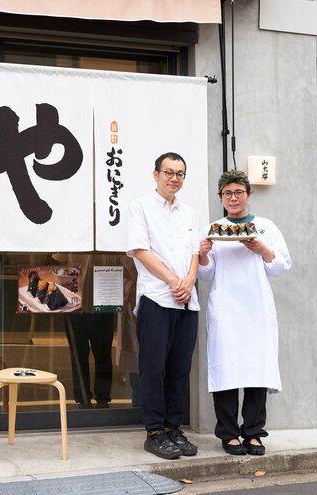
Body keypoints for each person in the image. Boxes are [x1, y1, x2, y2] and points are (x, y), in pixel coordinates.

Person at [198, 170, 292, 456]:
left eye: (239, 192)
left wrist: (261, 248)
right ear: (221, 198)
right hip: (226, 309)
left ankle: (253, 433)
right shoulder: (214, 228)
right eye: (228, 193)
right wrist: (203, 253)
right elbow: (207, 273)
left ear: (248, 195)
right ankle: (228, 434)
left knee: (256, 371)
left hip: (256, 308)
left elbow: (281, 265)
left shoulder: (265, 227)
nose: (234, 198)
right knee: (226, 371)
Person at [126, 152, 199, 460]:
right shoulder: (140, 207)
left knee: (180, 369)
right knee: (153, 367)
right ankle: (154, 431)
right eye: (168, 172)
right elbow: (140, 251)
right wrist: (173, 281)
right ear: (155, 175)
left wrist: (189, 281)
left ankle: (173, 427)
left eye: (180, 173)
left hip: (187, 302)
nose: (174, 178)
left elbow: (195, 252)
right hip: (157, 297)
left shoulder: (189, 212)